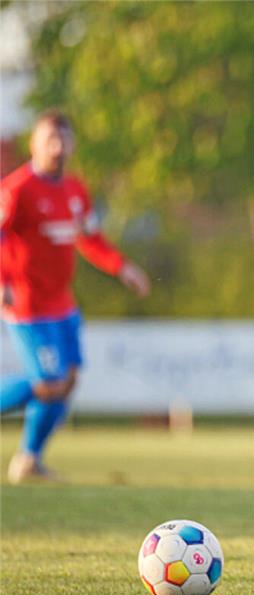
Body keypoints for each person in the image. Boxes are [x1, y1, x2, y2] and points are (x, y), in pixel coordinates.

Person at [1, 110, 150, 483]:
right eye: (50, 138)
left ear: (73, 144)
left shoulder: (75, 189)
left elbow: (89, 238)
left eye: (64, 138)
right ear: (33, 144)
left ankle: (29, 460)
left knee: (66, 383)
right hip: (28, 305)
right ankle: (28, 457)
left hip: (62, 304)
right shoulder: (16, 190)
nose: (57, 145)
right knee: (49, 383)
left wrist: (122, 267)